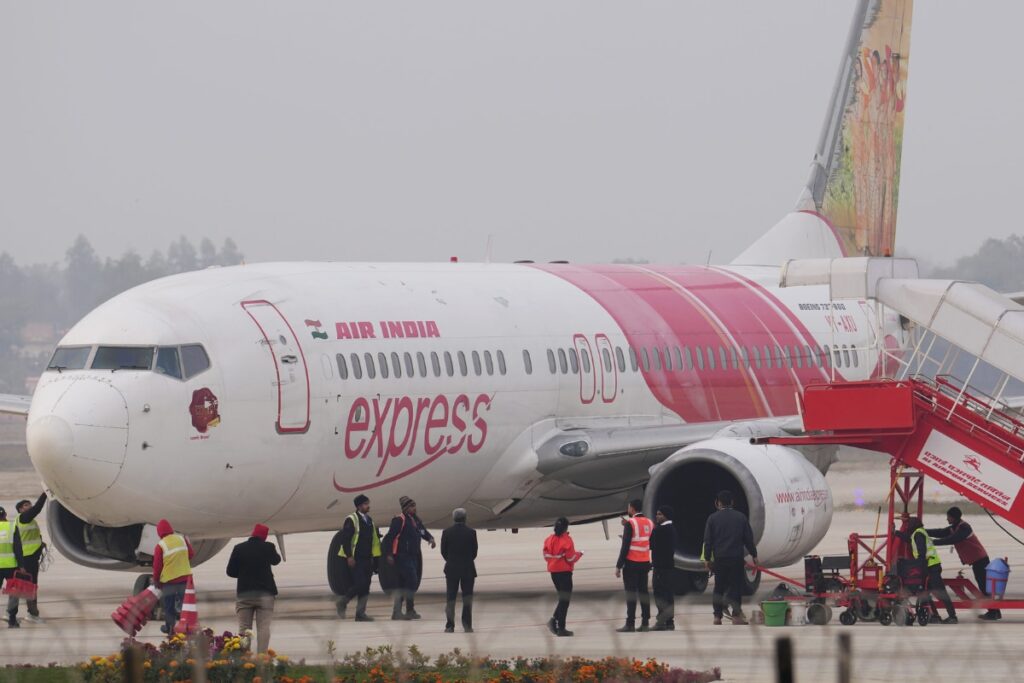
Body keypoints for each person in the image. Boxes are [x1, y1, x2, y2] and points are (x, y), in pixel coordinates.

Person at [929, 506, 1000, 620]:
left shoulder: (964, 528)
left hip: (980, 559)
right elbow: (941, 532)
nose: (947, 519)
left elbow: (952, 539)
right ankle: (994, 611)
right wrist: (923, 531)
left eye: (949, 517)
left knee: (983, 585)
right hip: (976, 560)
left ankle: (994, 611)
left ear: (954, 517)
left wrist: (932, 543)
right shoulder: (954, 527)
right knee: (983, 585)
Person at [701, 490, 757, 625]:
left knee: (718, 587)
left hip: (720, 558)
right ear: (732, 502)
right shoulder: (741, 517)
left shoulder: (712, 519)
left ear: (717, 503)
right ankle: (736, 615)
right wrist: (754, 555)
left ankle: (717, 616)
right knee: (736, 586)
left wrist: (707, 559)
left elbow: (707, 541)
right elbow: (748, 539)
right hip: (736, 558)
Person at [225, 524, 281, 653]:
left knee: (244, 629)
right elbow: (276, 560)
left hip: (245, 594)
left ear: (252, 534)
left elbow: (230, 572)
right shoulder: (268, 547)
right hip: (265, 594)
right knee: (263, 628)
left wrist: (244, 573)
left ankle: (244, 656)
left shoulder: (239, 548)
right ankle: (262, 657)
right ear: (264, 537)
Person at [383, 496, 436, 620]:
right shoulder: (399, 520)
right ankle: (408, 610)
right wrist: (389, 554)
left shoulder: (415, 520)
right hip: (402, 556)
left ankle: (399, 611)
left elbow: (422, 531)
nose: (414, 508)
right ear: (406, 508)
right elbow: (389, 538)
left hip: (413, 555)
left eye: (414, 506)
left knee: (403, 583)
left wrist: (430, 538)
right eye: (412, 506)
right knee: (412, 581)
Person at [902, 516, 957, 624]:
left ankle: (952, 616)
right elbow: (909, 539)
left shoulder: (918, 534)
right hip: (930, 566)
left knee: (940, 592)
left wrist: (917, 564)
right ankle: (934, 615)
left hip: (931, 567)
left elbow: (921, 553)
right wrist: (897, 533)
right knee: (925, 592)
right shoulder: (919, 533)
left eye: (908, 525)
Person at [336, 494, 381, 621]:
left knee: (366, 586)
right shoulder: (351, 519)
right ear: (359, 506)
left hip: (367, 558)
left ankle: (360, 614)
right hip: (356, 558)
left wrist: (375, 558)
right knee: (360, 584)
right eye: (366, 504)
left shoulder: (369, 520)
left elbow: (374, 540)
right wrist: (349, 556)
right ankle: (343, 602)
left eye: (368, 503)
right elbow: (345, 539)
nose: (368, 506)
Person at [614, 499, 653, 632]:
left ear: (632, 509)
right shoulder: (649, 522)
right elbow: (649, 542)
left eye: (629, 507)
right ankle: (645, 622)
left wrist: (618, 566)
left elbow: (625, 547)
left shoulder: (630, 524)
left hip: (631, 564)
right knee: (644, 593)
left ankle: (630, 623)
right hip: (645, 563)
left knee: (631, 594)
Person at [152, 519, 195, 635]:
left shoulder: (160, 546)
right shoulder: (181, 538)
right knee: (185, 605)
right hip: (185, 578)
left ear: (159, 533)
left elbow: (157, 566)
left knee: (169, 606)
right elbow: (191, 554)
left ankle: (170, 629)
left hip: (169, 581)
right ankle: (188, 628)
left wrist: (156, 581)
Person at [9, 493, 46, 625]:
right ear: (20, 510)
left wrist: (40, 544)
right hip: (27, 559)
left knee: (22, 586)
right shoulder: (24, 518)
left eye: (29, 504)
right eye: (26, 505)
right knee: (29, 587)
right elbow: (38, 508)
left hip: (28, 558)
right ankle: (31, 614)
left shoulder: (28, 520)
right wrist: (46, 493)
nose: (29, 506)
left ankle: (12, 613)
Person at [440, 507, 477, 633]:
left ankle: (450, 625)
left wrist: (451, 560)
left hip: (451, 569)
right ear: (465, 518)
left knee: (450, 598)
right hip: (467, 569)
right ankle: (467, 625)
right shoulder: (471, 532)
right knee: (467, 598)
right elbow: (474, 552)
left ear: (453, 518)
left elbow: (443, 552)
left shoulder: (446, 532)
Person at [543, 517, 581, 637]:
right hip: (564, 573)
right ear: (566, 528)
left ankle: (554, 621)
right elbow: (571, 558)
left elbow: (546, 555)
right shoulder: (567, 540)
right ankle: (561, 627)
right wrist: (579, 554)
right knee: (565, 600)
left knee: (562, 599)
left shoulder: (549, 539)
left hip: (554, 573)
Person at [650, 505, 677, 631]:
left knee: (659, 594)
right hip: (670, 567)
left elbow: (651, 545)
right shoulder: (672, 529)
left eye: (660, 514)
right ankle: (670, 621)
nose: (657, 516)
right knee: (668, 594)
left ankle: (661, 621)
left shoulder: (659, 530)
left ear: (666, 516)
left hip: (660, 567)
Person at [0, 507, 23, 628]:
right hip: (11, 566)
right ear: (5, 514)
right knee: (14, 593)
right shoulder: (12, 527)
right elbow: (18, 548)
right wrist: (22, 565)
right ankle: (12, 620)